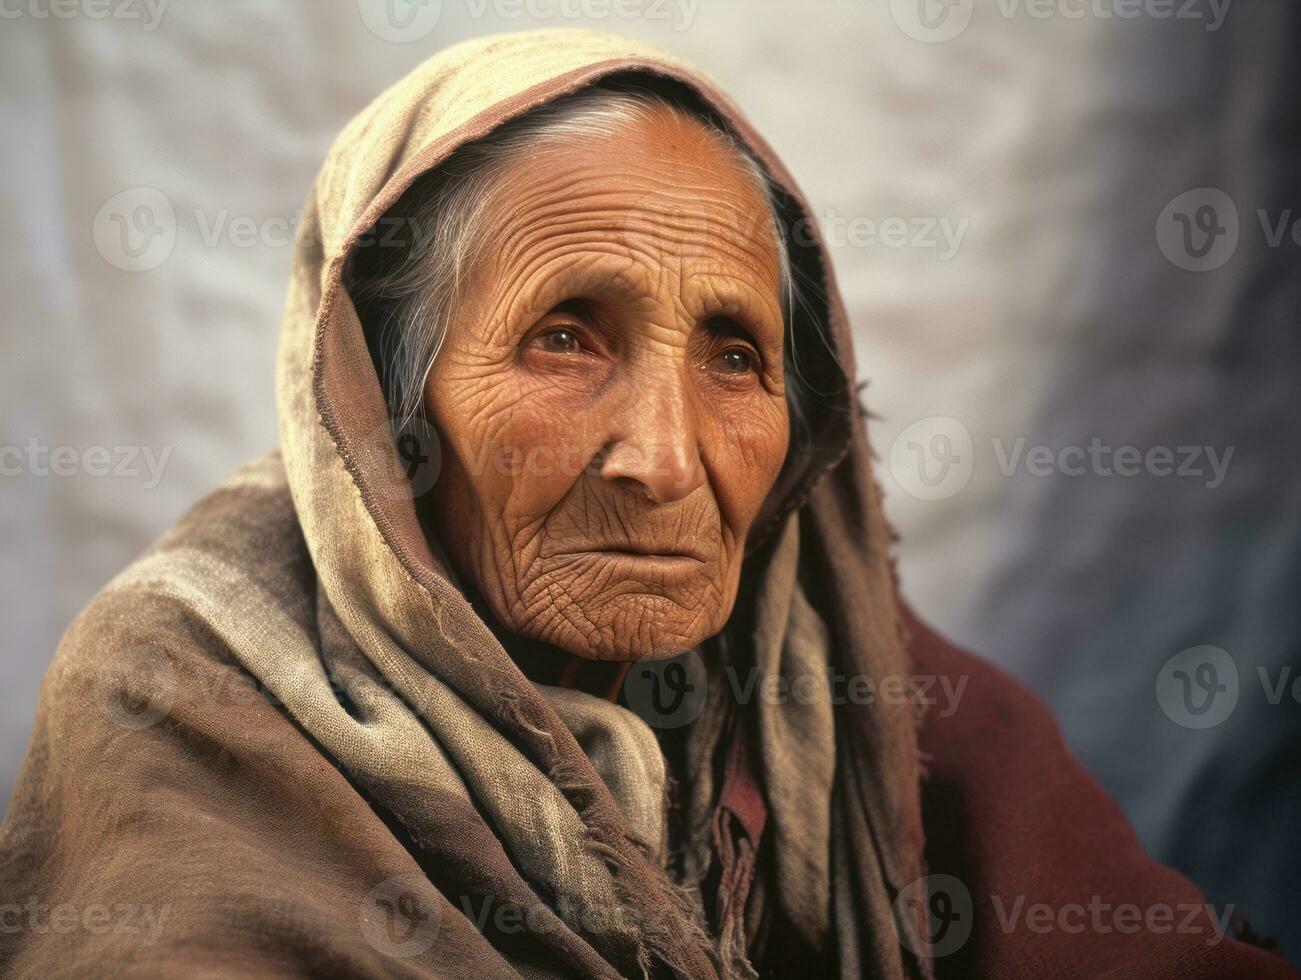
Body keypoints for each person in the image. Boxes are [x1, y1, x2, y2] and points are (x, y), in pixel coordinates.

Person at [0, 29, 1292, 979]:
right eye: (565, 338)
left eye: (737, 357)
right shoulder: (191, 687)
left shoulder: (847, 683)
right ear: (380, 406)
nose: (664, 461)